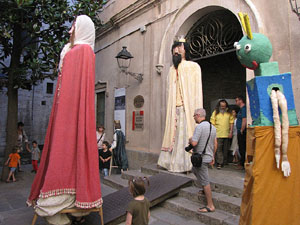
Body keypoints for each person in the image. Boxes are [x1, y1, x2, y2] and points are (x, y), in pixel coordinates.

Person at [27, 15, 102, 225]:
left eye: (74, 27)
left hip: (69, 114)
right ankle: (70, 205)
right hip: (65, 112)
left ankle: (67, 202)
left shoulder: (82, 52)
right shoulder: (75, 51)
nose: (69, 31)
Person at [158, 38, 203, 172]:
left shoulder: (193, 66)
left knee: (185, 135)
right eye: (174, 49)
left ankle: (186, 164)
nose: (176, 50)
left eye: (180, 48)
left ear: (186, 50)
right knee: (173, 134)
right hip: (174, 108)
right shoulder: (172, 69)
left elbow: (195, 90)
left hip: (186, 107)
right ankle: (169, 162)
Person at [189, 108, 217, 213]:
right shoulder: (213, 128)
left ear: (198, 115)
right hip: (208, 156)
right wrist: (213, 156)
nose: (194, 118)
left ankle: (210, 205)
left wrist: (190, 140)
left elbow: (194, 143)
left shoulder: (199, 127)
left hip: (201, 158)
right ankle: (205, 190)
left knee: (205, 181)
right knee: (194, 170)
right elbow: (215, 144)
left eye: (194, 116)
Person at [210, 99, 234, 169]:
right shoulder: (215, 113)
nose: (223, 108)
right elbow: (212, 123)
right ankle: (219, 163)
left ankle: (224, 161)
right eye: (221, 106)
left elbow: (231, 123)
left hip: (226, 134)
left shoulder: (229, 113)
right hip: (218, 133)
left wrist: (231, 132)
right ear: (219, 106)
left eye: (224, 106)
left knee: (226, 149)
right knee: (218, 149)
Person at [235, 96, 247, 170]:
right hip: (239, 130)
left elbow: (244, 119)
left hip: (242, 131)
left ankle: (242, 163)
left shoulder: (244, 109)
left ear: (241, 100)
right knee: (241, 147)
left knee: (242, 147)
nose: (236, 102)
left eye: (237, 100)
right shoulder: (240, 110)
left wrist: (242, 129)